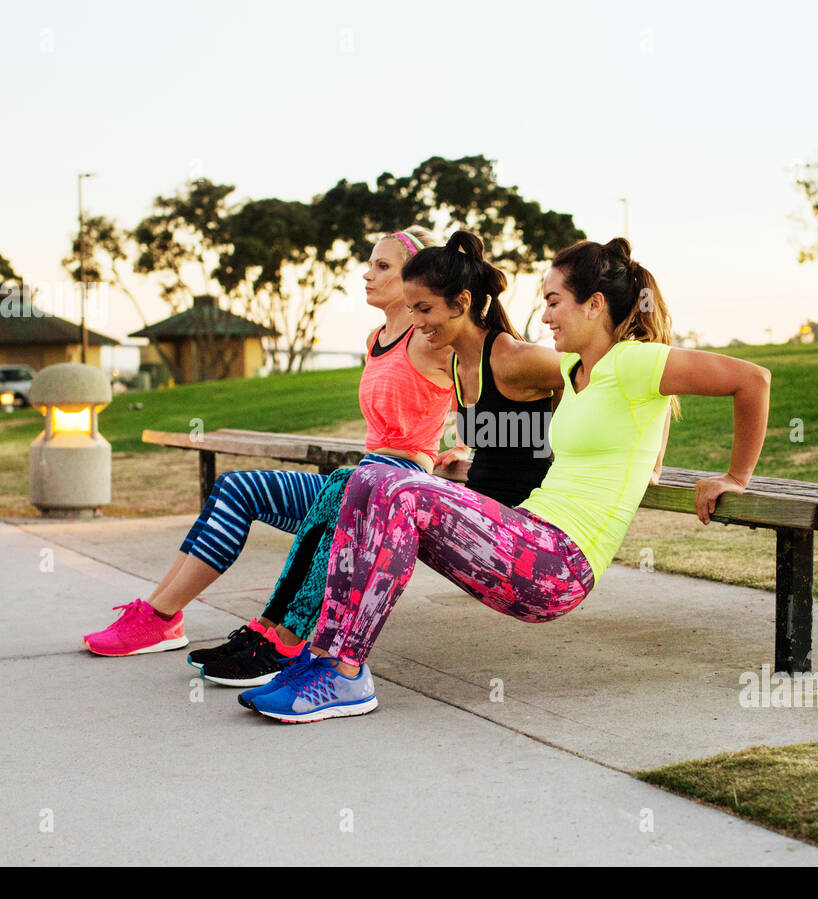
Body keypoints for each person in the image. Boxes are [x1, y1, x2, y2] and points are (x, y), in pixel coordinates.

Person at [241, 237, 772, 723]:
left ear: (595, 305)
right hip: (527, 533)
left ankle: (343, 674)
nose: (544, 317)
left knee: (394, 487)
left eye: (554, 302)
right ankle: (324, 660)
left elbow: (752, 379)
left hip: (560, 563)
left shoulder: (635, 362)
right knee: (365, 480)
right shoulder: (572, 372)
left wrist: (735, 476)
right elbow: (625, 421)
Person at [198, 230, 571, 688]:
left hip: (507, 525)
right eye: (414, 310)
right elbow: (491, 423)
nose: (418, 321)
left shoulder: (511, 357)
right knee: (342, 483)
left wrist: (565, 443)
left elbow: (593, 374)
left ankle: (293, 644)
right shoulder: (458, 364)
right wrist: (464, 447)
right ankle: (276, 631)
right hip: (470, 508)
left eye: (425, 309)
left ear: (461, 302)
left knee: (350, 486)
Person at [83, 226, 456, 657]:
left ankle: (171, 620)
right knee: (233, 489)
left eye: (383, 266)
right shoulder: (375, 340)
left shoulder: (431, 340)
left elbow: (479, 385)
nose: (367, 274)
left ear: (414, 278)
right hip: (362, 475)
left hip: (397, 484)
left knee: (249, 492)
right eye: (370, 263)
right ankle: (158, 615)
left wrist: (464, 444)